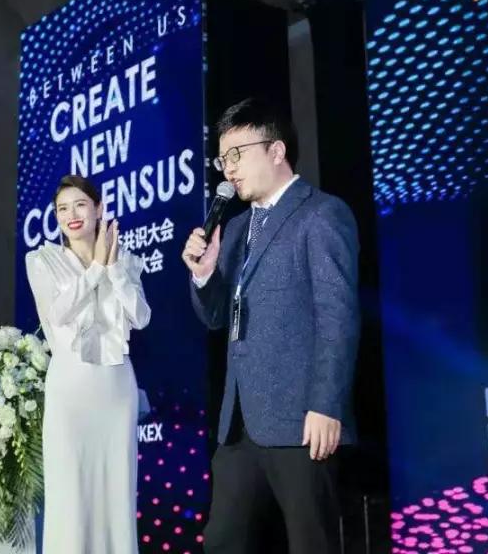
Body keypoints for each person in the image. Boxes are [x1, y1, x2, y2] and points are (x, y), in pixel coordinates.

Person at [181, 97, 361, 554]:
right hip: (239, 425)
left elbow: (338, 317)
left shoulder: (321, 214)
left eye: (237, 155)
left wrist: (326, 405)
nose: (228, 169)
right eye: (223, 159)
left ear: (276, 151)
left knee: (311, 543)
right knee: (222, 541)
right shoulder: (235, 229)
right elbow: (216, 317)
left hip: (303, 421)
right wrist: (204, 275)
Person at [24, 174, 151, 554]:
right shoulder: (41, 260)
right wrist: (95, 268)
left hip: (116, 390)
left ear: (98, 209)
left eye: (80, 205)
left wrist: (112, 270)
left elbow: (141, 317)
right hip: (70, 392)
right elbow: (58, 313)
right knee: (70, 497)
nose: (71, 215)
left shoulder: (125, 260)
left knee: (117, 494)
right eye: (62, 209)